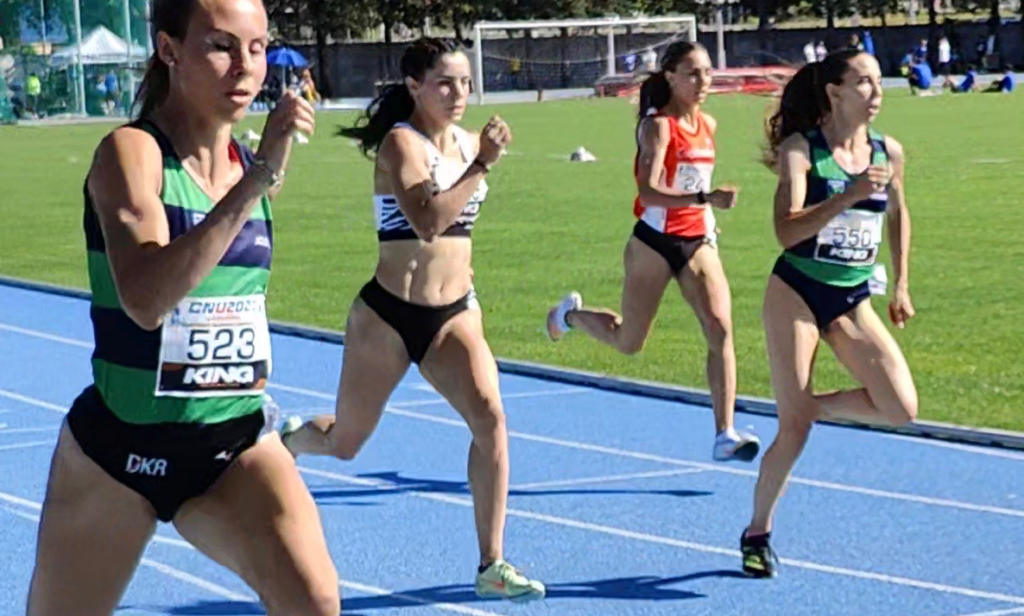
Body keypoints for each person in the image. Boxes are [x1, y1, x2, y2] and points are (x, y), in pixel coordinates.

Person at [25, 1, 339, 615]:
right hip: (116, 454)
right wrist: (258, 180)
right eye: (221, 46)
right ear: (170, 50)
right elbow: (144, 300)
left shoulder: (250, 167)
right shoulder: (132, 153)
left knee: (315, 599)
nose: (244, 68)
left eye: (256, 48)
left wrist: (258, 176)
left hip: (231, 447)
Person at [278, 37, 546, 603]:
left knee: (491, 420)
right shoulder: (402, 144)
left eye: (466, 82)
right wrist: (481, 166)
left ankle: (491, 563)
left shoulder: (470, 143)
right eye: (445, 82)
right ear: (415, 87)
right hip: (388, 316)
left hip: (453, 314)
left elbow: (458, 233)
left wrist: (475, 163)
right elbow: (427, 221)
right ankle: (291, 439)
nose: (458, 93)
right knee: (348, 442)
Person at [741, 49, 918, 578]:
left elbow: (899, 216)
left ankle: (809, 406)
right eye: (862, 82)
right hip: (796, 290)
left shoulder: (889, 150)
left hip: (852, 297)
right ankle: (757, 533)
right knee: (792, 432)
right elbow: (787, 230)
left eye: (878, 80)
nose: (875, 90)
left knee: (902, 408)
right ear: (834, 93)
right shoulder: (802, 151)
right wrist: (848, 194)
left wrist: (902, 281)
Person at [545, 40, 761, 464]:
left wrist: (705, 209)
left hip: (698, 240)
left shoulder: (709, 125)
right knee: (629, 342)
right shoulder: (657, 127)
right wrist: (706, 197)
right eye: (693, 73)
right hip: (653, 242)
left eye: (707, 73)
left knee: (720, 330)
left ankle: (725, 433)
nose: (703, 82)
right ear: (670, 77)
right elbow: (648, 191)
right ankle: (568, 316)